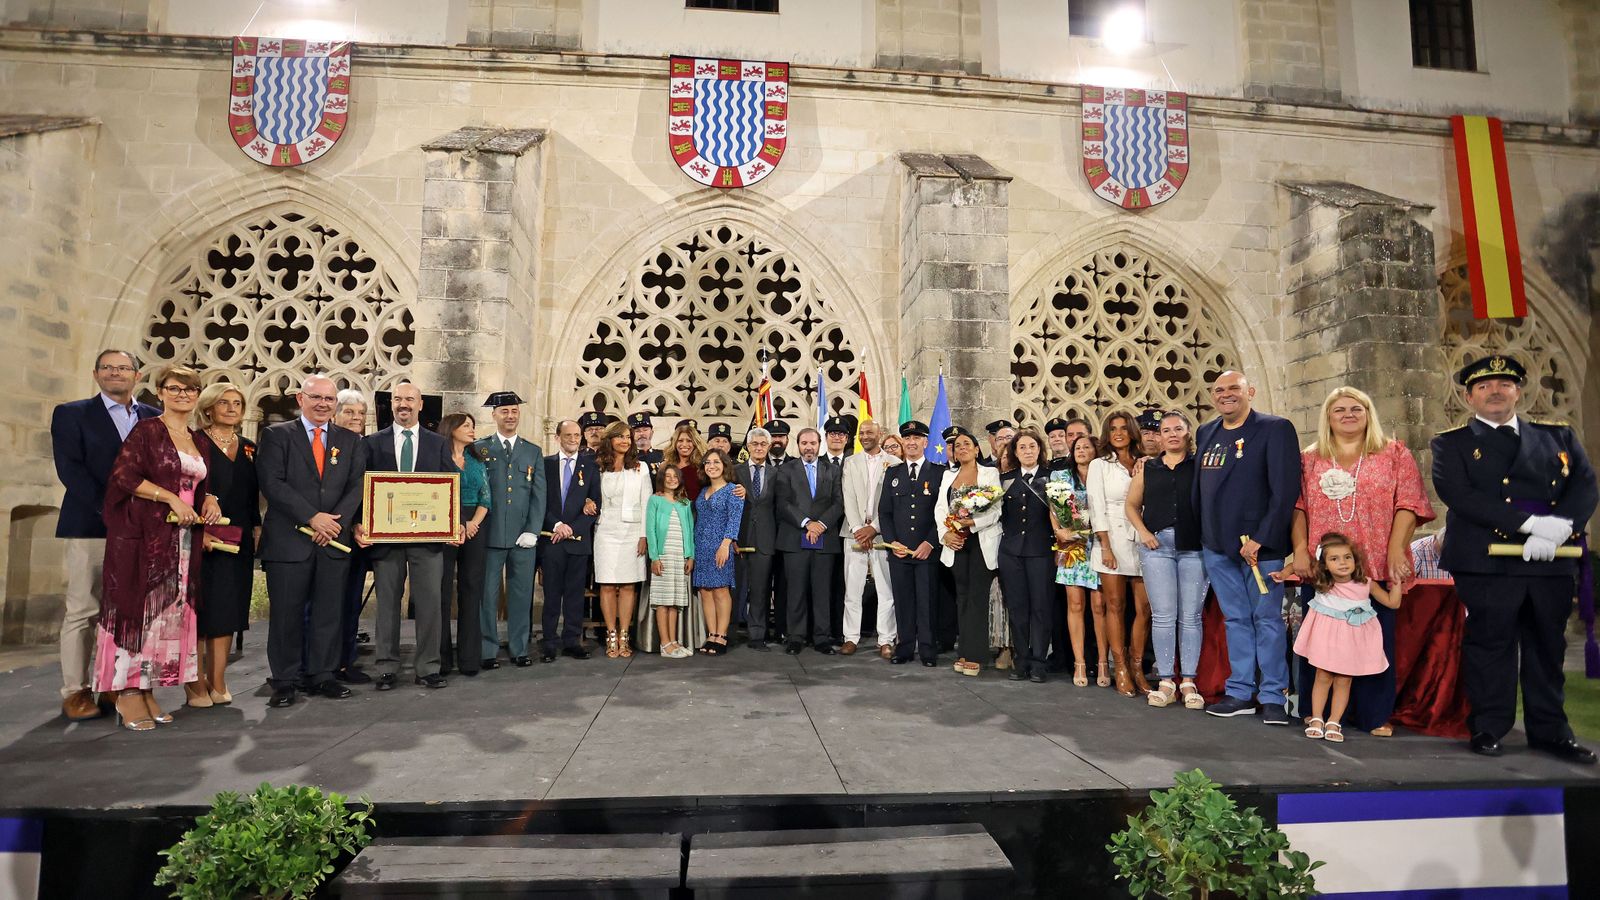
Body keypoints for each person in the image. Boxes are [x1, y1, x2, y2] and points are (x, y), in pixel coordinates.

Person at [1431, 354, 1598, 763]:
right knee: (1491, 645)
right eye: (1484, 386)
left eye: (1504, 384)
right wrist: (1530, 525)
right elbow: (1460, 495)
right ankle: (1488, 726)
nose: (1495, 391)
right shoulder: (1451, 443)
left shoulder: (1558, 437)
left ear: (1518, 392)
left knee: (1547, 646)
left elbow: (1585, 484)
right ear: (1469, 397)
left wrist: (1561, 527)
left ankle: (1551, 732)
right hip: (1488, 560)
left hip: (1549, 559)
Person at [1290, 386, 1435, 735]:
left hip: (1374, 566)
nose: (1348, 415)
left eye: (1356, 408)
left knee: (1372, 643)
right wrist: (1300, 549)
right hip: (1324, 572)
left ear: (1369, 414)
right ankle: (1317, 713)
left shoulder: (1394, 453)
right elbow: (1298, 507)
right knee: (1322, 646)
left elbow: (1409, 503)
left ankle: (1373, 714)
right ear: (1327, 417)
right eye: (1339, 410)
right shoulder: (1310, 459)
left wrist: (1396, 549)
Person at [94, 364, 221, 730]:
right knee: (138, 609)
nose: (183, 394)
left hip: (181, 541)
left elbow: (200, 483)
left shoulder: (198, 440)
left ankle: (147, 689)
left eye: (190, 389)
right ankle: (127, 693)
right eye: (175, 388)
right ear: (161, 392)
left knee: (166, 616)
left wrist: (209, 499)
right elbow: (124, 477)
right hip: (143, 538)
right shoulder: (147, 430)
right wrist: (170, 498)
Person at [49, 349, 160, 720]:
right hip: (92, 524)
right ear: (96, 374)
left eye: (123, 368)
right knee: (83, 609)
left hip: (141, 529)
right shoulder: (72, 414)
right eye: (108, 367)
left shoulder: (152, 417)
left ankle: (114, 684)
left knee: (128, 611)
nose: (116, 373)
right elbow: (71, 470)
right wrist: (111, 511)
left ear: (137, 376)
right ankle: (76, 690)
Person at [1194, 371, 1302, 725]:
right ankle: (1240, 691)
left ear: (1250, 392)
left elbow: (1284, 491)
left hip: (1259, 549)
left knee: (1267, 620)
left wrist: (1261, 537)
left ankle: (1272, 696)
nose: (1226, 395)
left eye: (1233, 389)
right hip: (1217, 547)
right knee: (1236, 620)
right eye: (1219, 390)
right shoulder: (1206, 432)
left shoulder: (1275, 429)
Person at [258, 373, 365, 708]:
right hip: (289, 541)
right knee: (286, 615)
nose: (323, 404)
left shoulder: (350, 440)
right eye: (316, 397)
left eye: (329, 399)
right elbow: (272, 483)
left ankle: (323, 674)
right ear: (300, 399)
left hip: (332, 540)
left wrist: (334, 523)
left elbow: (357, 485)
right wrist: (311, 517)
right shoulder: (277, 435)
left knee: (328, 612)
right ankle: (285, 680)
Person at [357, 380, 458, 691]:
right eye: (398, 399)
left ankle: (428, 667)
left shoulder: (437, 444)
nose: (403, 404)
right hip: (386, 539)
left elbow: (450, 483)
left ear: (420, 404)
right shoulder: (372, 443)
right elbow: (361, 488)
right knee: (387, 604)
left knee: (429, 604)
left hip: (427, 539)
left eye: (409, 399)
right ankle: (387, 667)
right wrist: (359, 524)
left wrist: (454, 522)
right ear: (391, 404)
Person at [1125, 411, 1206, 709]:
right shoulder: (1148, 468)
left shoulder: (1200, 466)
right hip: (1157, 546)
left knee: (1191, 616)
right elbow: (1131, 506)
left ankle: (1189, 681)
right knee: (1163, 615)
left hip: (1193, 547)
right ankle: (1166, 681)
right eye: (1166, 430)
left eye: (1178, 429)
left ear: (1188, 432)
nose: (1172, 434)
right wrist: (1144, 532)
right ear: (1158, 436)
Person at [1288, 532, 1398, 743]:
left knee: (1344, 680)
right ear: (1325, 564)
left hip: (1350, 644)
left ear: (1355, 560)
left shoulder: (1366, 584)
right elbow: (1297, 566)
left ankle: (1334, 721)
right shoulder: (1323, 582)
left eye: (1347, 557)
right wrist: (1283, 572)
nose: (1343, 562)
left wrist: (1397, 582)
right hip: (1326, 641)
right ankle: (1317, 718)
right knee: (1322, 676)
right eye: (1334, 559)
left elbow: (1392, 603)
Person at [194, 381, 259, 706]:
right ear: (208, 408)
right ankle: (195, 683)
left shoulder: (248, 448)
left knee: (228, 608)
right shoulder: (195, 442)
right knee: (200, 611)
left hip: (239, 537)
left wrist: (257, 527)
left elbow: (252, 494)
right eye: (224, 402)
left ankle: (218, 680)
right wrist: (198, 531)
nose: (232, 408)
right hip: (201, 535)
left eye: (237, 403)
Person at [475, 391, 546, 669]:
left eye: (514, 411)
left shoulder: (532, 451)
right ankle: (487, 650)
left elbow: (539, 495)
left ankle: (520, 648)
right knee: (487, 597)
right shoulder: (480, 449)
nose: (510, 416)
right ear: (494, 414)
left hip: (522, 537)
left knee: (521, 595)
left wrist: (533, 530)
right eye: (504, 411)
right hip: (490, 535)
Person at [1088, 410, 1151, 697]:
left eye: (1124, 428)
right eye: (1113, 429)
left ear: (1132, 432)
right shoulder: (1100, 465)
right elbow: (1096, 506)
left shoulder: (1145, 462)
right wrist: (1105, 546)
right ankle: (1121, 667)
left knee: (1145, 608)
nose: (1118, 433)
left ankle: (1138, 666)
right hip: (1111, 539)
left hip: (1143, 538)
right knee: (1115, 605)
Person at [934, 428, 1001, 676]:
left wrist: (972, 523)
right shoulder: (947, 476)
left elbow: (996, 511)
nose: (961, 448)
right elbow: (940, 509)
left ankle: (976, 655)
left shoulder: (990, 473)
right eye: (957, 446)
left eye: (966, 444)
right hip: (956, 542)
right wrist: (945, 534)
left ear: (976, 449)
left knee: (977, 597)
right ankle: (964, 651)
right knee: (962, 596)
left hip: (980, 541)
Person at [774, 427, 844, 654]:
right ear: (798, 445)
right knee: (796, 591)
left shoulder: (832, 470)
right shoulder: (786, 470)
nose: (808, 447)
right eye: (804, 443)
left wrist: (820, 524)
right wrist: (807, 523)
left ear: (819, 444)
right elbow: (783, 503)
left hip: (825, 538)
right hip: (795, 538)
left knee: (822, 591)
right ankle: (796, 637)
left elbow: (838, 502)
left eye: (812, 443)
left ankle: (821, 638)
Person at [996, 429, 1059, 683]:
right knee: (1017, 608)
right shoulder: (1005, 480)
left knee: (1041, 608)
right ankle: (1021, 660)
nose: (1027, 451)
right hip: (1011, 553)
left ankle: (1039, 662)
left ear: (1040, 449)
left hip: (1041, 552)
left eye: (1032, 446)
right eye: (1022, 447)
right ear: (1015, 451)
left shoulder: (1052, 478)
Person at [879, 421, 941, 666]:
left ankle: (927, 650)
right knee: (903, 601)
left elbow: (943, 513)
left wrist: (930, 543)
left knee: (927, 602)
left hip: (927, 551)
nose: (911, 442)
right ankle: (904, 648)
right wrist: (892, 542)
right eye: (907, 438)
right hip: (900, 552)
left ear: (926, 442)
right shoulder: (893, 474)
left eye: (917, 438)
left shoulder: (939, 473)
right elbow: (885, 512)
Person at [540, 418, 600, 662]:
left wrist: (572, 528)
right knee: (552, 595)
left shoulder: (591, 466)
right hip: (552, 539)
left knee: (575, 595)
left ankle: (572, 641)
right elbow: (539, 501)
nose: (574, 439)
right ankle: (549, 642)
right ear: (557, 438)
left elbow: (595, 505)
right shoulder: (545, 464)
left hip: (578, 540)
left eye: (577, 435)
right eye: (568, 435)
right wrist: (556, 525)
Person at [593, 421, 652, 658]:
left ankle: (624, 635)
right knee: (607, 584)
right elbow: (590, 495)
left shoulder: (640, 467)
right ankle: (611, 635)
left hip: (632, 531)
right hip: (605, 530)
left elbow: (647, 502)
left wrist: (644, 535)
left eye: (628, 437)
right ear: (610, 440)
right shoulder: (598, 466)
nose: (625, 441)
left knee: (628, 585)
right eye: (620, 437)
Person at [438, 412, 490, 677]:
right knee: (442, 591)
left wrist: (472, 524)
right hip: (443, 524)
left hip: (474, 527)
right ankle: (441, 659)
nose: (472, 429)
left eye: (473, 425)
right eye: (466, 425)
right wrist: (456, 522)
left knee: (471, 589)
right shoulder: (438, 458)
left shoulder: (477, 460)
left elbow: (486, 497)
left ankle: (469, 658)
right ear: (451, 429)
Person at [840, 419, 897, 658]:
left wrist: (873, 528)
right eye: (861, 433)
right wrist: (857, 529)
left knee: (886, 589)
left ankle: (886, 639)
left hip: (882, 533)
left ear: (880, 434)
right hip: (853, 533)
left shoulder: (894, 462)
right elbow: (848, 496)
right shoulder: (850, 462)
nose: (865, 436)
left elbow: (893, 502)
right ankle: (850, 637)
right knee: (852, 590)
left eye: (869, 432)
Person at [1051, 434, 1103, 686]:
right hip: (1072, 545)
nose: (1081, 451)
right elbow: (1053, 508)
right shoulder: (1061, 477)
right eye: (1077, 448)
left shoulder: (1104, 474)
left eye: (1086, 447)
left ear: (1096, 450)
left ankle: (1103, 663)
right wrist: (1059, 532)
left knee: (1099, 606)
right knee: (1075, 604)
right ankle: (1079, 663)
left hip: (1100, 544)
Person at [331, 388, 372, 684]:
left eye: (361, 413)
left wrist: (361, 523)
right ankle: (318, 664)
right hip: (329, 533)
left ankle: (345, 661)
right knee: (324, 605)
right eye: (349, 412)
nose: (356, 418)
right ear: (335, 415)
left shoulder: (366, 446)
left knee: (351, 603)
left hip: (359, 538)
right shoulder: (326, 444)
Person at [733, 427, 780, 651]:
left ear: (769, 447)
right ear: (748, 446)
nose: (759, 448)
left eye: (763, 444)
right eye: (755, 444)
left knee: (761, 590)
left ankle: (757, 634)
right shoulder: (735, 471)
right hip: (739, 538)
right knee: (736, 588)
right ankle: (729, 632)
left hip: (765, 540)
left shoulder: (776, 474)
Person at [694, 448, 745, 654]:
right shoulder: (702, 491)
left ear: (725, 465)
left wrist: (725, 545)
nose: (711, 466)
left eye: (716, 462)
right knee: (705, 591)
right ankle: (712, 634)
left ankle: (722, 636)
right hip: (701, 546)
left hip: (720, 546)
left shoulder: (734, 490)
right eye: (707, 462)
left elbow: (734, 520)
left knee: (721, 590)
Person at [646, 464, 695, 658]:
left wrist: (690, 556)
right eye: (668, 476)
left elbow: (690, 530)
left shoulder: (685, 503)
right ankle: (664, 643)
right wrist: (654, 557)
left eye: (676, 476)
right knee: (663, 601)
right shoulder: (655, 500)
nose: (672, 479)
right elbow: (650, 530)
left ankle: (674, 641)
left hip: (679, 557)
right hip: (663, 556)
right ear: (662, 479)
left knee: (675, 601)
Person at [667, 422, 705, 500]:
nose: (684, 444)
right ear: (674, 443)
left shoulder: (703, 467)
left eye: (689, 441)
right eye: (680, 440)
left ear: (695, 443)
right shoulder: (666, 466)